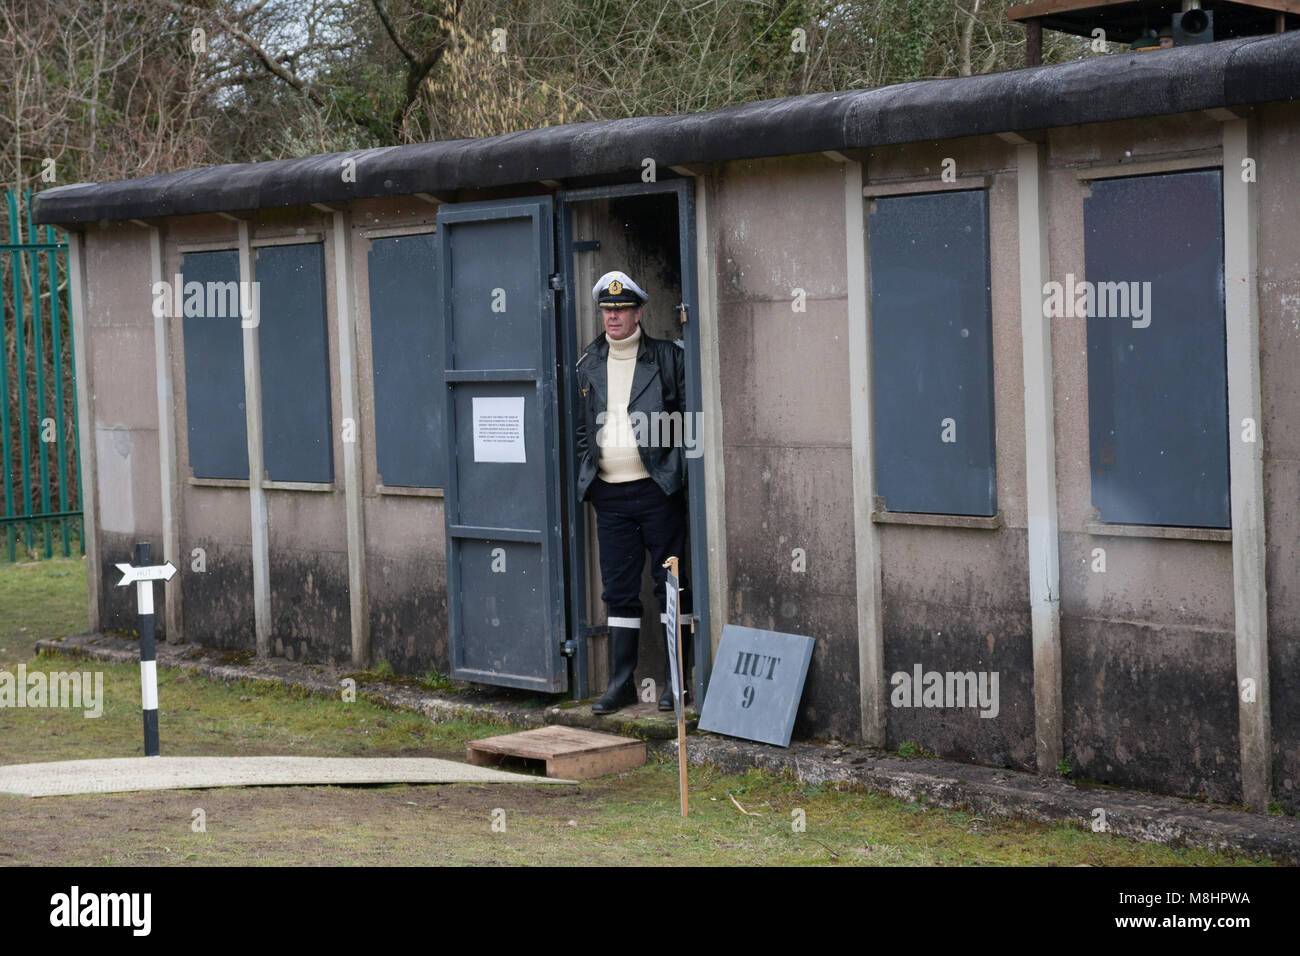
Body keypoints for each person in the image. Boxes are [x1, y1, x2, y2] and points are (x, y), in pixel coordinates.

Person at [575, 270, 690, 715]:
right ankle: (622, 684)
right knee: (619, 592)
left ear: (638, 312)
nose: (613, 318)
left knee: (670, 586)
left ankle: (676, 685)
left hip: (657, 490)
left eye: (621, 310)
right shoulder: (589, 362)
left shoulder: (665, 357)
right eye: (607, 310)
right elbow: (583, 428)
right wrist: (592, 466)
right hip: (610, 496)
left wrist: (673, 471)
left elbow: (685, 417)